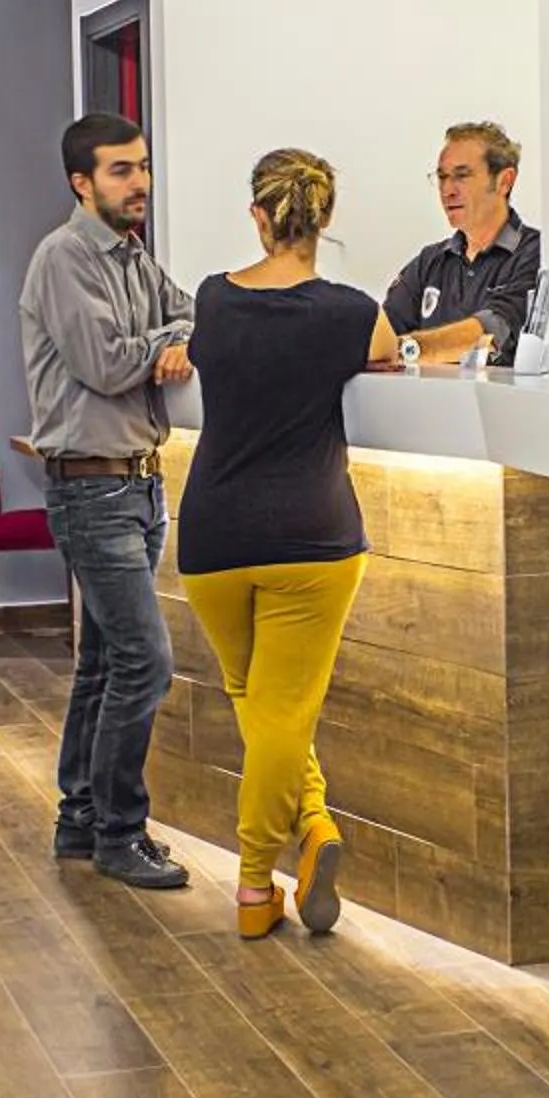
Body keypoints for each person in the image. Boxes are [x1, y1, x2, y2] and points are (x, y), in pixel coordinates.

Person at [177, 149, 398, 938]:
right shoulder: (350, 311)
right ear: (325, 220)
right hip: (312, 538)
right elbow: (389, 351)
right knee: (281, 715)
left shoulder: (213, 299)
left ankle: (314, 832)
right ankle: (249, 886)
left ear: (258, 216)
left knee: (259, 706)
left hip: (212, 537)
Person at [19, 113, 194, 891]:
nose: (141, 183)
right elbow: (105, 364)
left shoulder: (132, 256)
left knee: (103, 663)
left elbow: (195, 313)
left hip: (140, 483)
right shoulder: (64, 259)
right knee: (146, 663)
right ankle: (122, 833)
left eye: (143, 166)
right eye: (122, 170)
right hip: (91, 488)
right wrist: (163, 346)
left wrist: (170, 337)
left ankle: (80, 823)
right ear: (80, 183)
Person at [382, 120, 543, 369]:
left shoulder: (534, 253)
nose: (447, 190)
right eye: (442, 177)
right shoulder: (429, 261)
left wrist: (406, 349)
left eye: (462, 176)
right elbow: (384, 332)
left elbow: (488, 336)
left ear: (505, 181)